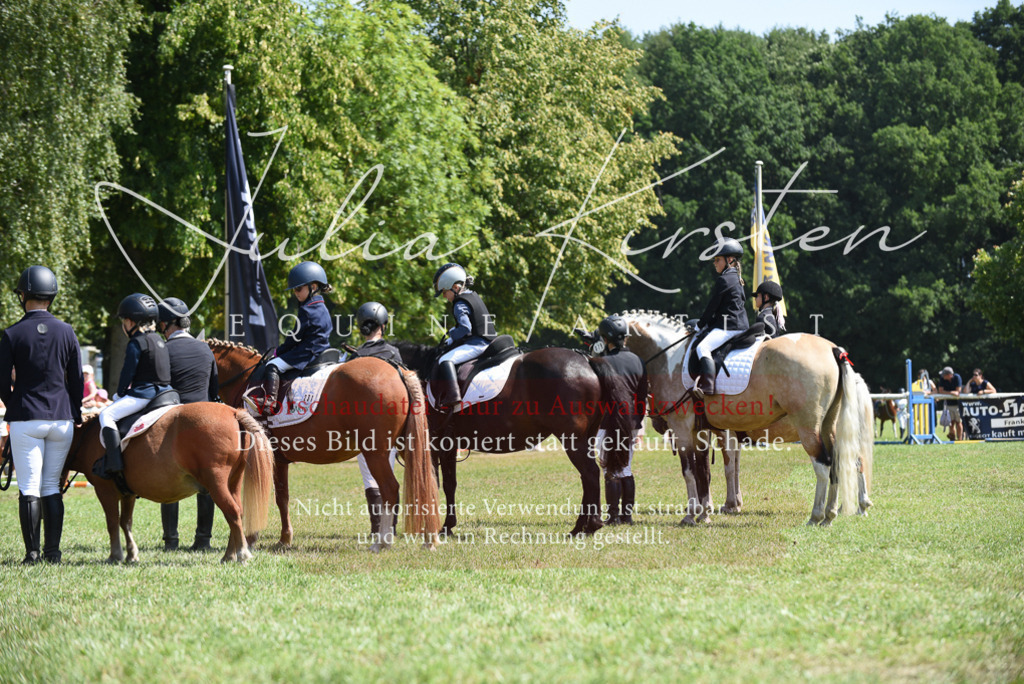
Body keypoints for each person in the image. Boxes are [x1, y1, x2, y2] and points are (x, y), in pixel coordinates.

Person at [0, 266, 84, 564]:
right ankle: (54, 552)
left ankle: (33, 554)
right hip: (61, 418)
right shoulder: (67, 331)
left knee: (28, 487)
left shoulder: (11, 333)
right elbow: (76, 379)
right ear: (52, 296)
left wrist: (14, 402)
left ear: (23, 295)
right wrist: (74, 409)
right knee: (51, 486)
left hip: (26, 416)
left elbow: (1, 381)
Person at [157, 297, 220, 551]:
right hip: (205, 422)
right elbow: (214, 390)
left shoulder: (163, 350)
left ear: (165, 324)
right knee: (207, 483)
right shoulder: (205, 349)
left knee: (169, 482)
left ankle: (171, 541)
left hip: (174, 422)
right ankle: (203, 540)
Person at [93, 293, 173, 492]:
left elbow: (127, 373)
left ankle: (114, 464)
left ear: (130, 321)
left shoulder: (137, 342)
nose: (124, 325)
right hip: (167, 393)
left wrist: (119, 394)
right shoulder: (160, 339)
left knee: (106, 415)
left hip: (144, 395)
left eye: (124, 321)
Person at [576, 315, 648, 526]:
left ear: (606, 338)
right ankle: (627, 516)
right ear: (625, 337)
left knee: (610, 470)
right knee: (626, 468)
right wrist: (637, 422)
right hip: (631, 422)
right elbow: (642, 396)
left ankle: (614, 517)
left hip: (607, 422)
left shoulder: (600, 362)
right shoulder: (639, 361)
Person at [353, 301, 401, 538]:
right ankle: (390, 527)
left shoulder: (355, 356)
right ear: (383, 325)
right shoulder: (393, 353)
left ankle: (377, 530)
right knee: (388, 471)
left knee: (370, 476)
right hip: (392, 423)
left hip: (362, 424)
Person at [260, 261, 333, 415]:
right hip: (322, 349)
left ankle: (270, 402)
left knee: (272, 366)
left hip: (305, 353)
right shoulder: (323, 307)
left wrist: (278, 352)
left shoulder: (306, 310)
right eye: (294, 290)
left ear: (313, 287)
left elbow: (295, 338)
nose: (296, 293)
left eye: (298, 288)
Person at [431, 262, 496, 409]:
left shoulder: (459, 304)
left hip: (478, 343)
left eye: (444, 292)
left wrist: (452, 334)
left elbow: (466, 328)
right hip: (488, 340)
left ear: (455, 288)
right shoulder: (473, 295)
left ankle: (453, 396)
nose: (444, 297)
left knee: (445, 360)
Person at [693, 238, 749, 400]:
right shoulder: (736, 278)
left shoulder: (724, 280)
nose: (714, 263)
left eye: (717, 259)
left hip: (729, 326)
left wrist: (700, 325)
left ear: (729, 260)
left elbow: (712, 307)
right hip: (737, 324)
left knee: (702, 348)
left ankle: (708, 385)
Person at [935, 366, 963, 441]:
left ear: (949, 375)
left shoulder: (957, 377)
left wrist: (947, 393)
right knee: (951, 423)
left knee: (959, 422)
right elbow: (941, 391)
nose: (942, 376)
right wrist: (951, 393)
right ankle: (952, 438)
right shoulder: (942, 379)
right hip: (948, 404)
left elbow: (958, 391)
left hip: (958, 404)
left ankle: (960, 439)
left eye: (944, 374)